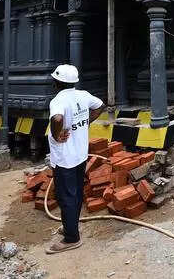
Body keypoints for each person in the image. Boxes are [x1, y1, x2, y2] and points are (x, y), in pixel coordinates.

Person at [45, 64, 105, 254]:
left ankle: (72, 238)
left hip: (65, 159)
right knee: (76, 192)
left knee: (66, 196)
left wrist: (56, 135)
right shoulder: (83, 95)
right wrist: (86, 122)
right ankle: (71, 225)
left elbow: (56, 120)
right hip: (80, 154)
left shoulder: (58, 100)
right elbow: (100, 106)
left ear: (57, 82)